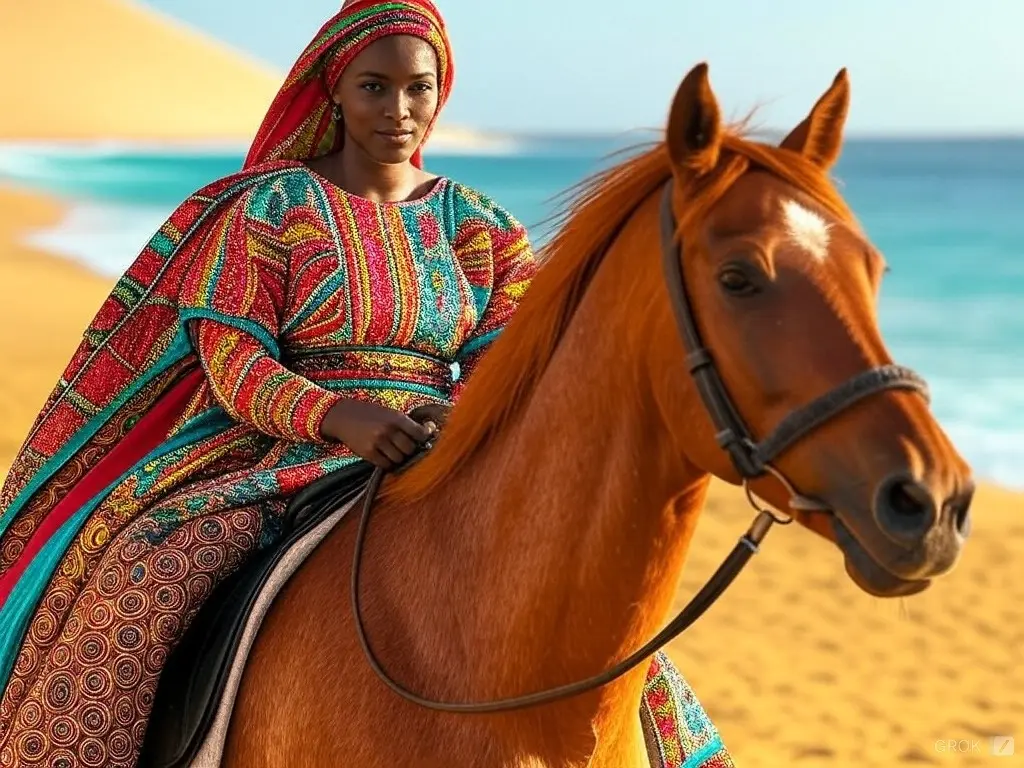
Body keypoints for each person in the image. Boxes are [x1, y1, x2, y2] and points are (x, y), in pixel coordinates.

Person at [0, 2, 732, 766]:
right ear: (336, 91)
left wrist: (456, 420)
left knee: (607, 629)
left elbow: (508, 363)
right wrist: (336, 417)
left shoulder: (481, 227)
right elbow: (234, 361)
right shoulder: (266, 209)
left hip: (438, 451)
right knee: (145, 568)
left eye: (417, 88)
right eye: (374, 87)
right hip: (268, 456)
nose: (398, 109)